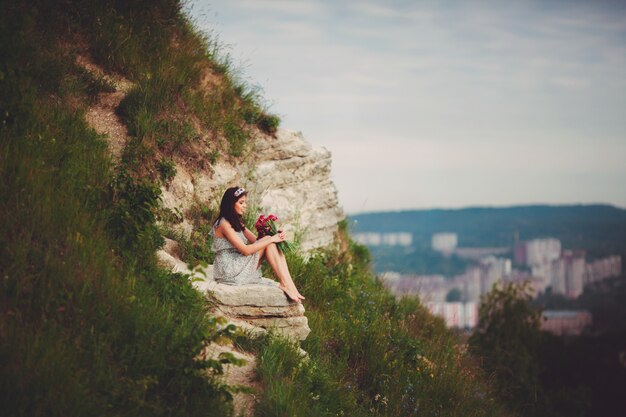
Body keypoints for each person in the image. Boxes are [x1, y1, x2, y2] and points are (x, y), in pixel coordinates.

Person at [210, 186, 305, 303]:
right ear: (231, 204)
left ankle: (290, 285)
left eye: (245, 202)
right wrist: (270, 239)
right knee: (269, 241)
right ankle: (285, 284)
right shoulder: (224, 224)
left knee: (269, 241)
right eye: (241, 202)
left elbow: (256, 241)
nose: (245, 206)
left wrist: (272, 235)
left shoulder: (235, 221)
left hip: (237, 262)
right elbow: (245, 250)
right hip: (228, 269)